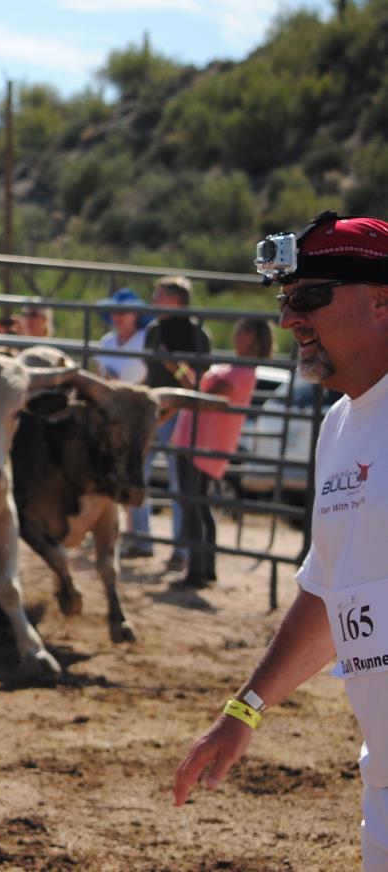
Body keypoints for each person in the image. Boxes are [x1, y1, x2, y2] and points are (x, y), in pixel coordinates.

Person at [173, 212, 388, 870]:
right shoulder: (339, 425)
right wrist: (244, 710)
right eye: (282, 301)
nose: (289, 318)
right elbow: (327, 588)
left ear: (381, 302)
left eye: (309, 297)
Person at [169, 318, 272, 588]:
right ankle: (206, 567)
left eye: (241, 329)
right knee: (199, 504)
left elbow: (206, 397)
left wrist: (178, 373)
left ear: (250, 336)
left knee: (193, 504)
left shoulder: (241, 371)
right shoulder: (239, 368)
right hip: (203, 441)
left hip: (202, 442)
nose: (235, 333)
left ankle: (197, 571)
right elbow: (204, 392)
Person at [128, 275, 212, 563]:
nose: (153, 300)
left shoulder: (196, 334)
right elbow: (150, 371)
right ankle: (142, 539)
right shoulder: (154, 330)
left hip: (178, 414)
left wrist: (174, 370)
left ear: (176, 300)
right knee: (137, 473)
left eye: (159, 294)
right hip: (153, 412)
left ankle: (181, 549)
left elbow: (197, 383)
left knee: (179, 483)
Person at [95, 287, 152, 384]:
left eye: (123, 311)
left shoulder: (146, 338)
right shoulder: (106, 340)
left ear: (136, 314)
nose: (117, 316)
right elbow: (98, 374)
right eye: (114, 311)